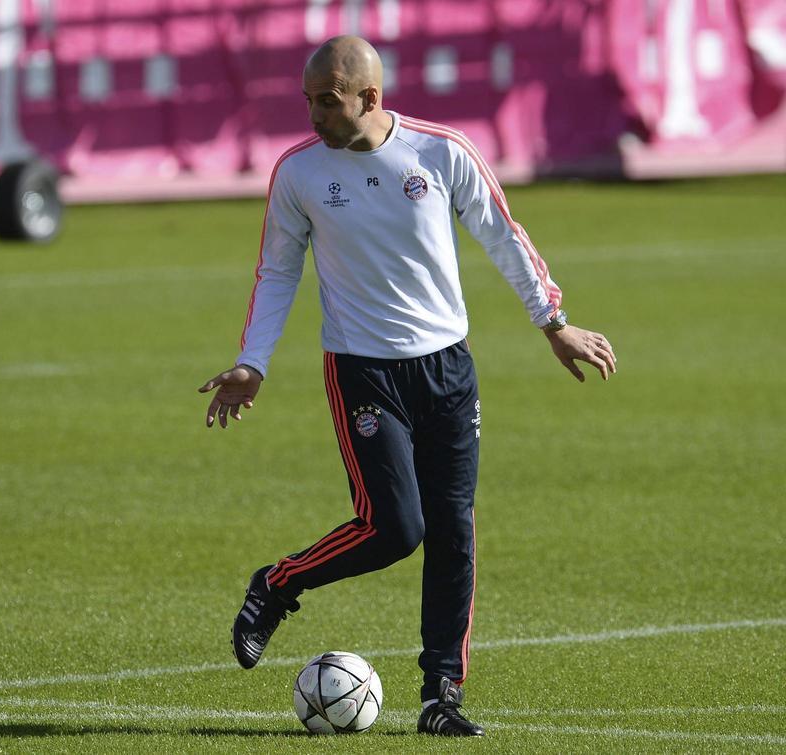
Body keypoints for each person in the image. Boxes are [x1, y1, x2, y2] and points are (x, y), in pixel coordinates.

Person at [198, 35, 616, 737]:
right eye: (307, 101)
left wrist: (553, 321)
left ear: (370, 97)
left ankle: (440, 695)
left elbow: (503, 233)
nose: (314, 114)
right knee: (395, 528)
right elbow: (277, 269)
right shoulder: (299, 172)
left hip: (448, 370)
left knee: (453, 529)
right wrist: (252, 362)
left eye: (327, 101)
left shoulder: (442, 153)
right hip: (362, 370)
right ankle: (278, 584)